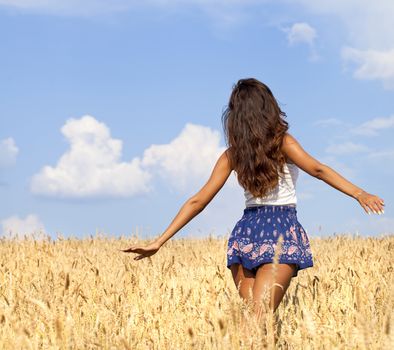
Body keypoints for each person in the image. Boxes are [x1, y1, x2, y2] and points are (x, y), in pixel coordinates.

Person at [121, 77, 385, 321]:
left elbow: (198, 200)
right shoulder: (281, 143)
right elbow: (318, 169)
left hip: (246, 234)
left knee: (255, 319)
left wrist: (160, 240)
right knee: (257, 321)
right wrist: (359, 193)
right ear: (266, 109)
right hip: (280, 229)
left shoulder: (233, 155)